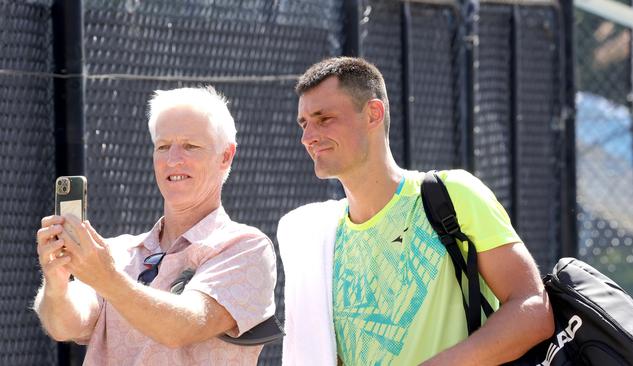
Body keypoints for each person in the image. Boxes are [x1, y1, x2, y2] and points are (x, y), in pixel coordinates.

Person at [277, 57, 554, 365]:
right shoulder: (320, 239)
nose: (308, 137)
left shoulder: (453, 195)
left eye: (324, 118)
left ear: (373, 114)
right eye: (304, 124)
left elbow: (533, 309)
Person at [33, 86, 277, 365]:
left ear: (225, 156)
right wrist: (56, 281)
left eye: (190, 146)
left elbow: (182, 327)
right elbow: (65, 326)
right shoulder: (118, 252)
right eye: (163, 146)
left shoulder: (244, 247)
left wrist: (107, 279)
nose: (173, 160)